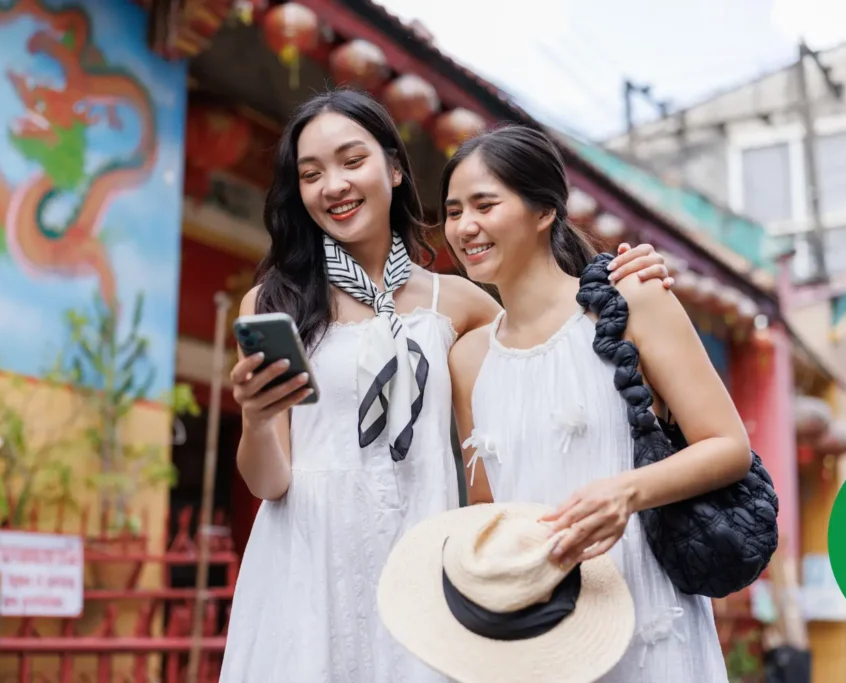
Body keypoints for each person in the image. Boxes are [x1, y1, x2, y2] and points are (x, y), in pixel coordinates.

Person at [219, 89, 672, 683]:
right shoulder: (274, 304)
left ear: (395, 168)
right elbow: (268, 483)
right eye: (311, 174)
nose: (334, 185)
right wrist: (256, 419)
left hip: (424, 554)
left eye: (352, 161)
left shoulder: (463, 303)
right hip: (307, 557)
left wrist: (620, 283)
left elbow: (545, 361)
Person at [444, 125, 751, 682]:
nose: (465, 226)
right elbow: (487, 509)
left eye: (485, 205)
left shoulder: (633, 301)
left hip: (646, 613)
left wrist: (625, 493)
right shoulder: (468, 359)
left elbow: (728, 447)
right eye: (453, 211)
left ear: (545, 211)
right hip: (541, 629)